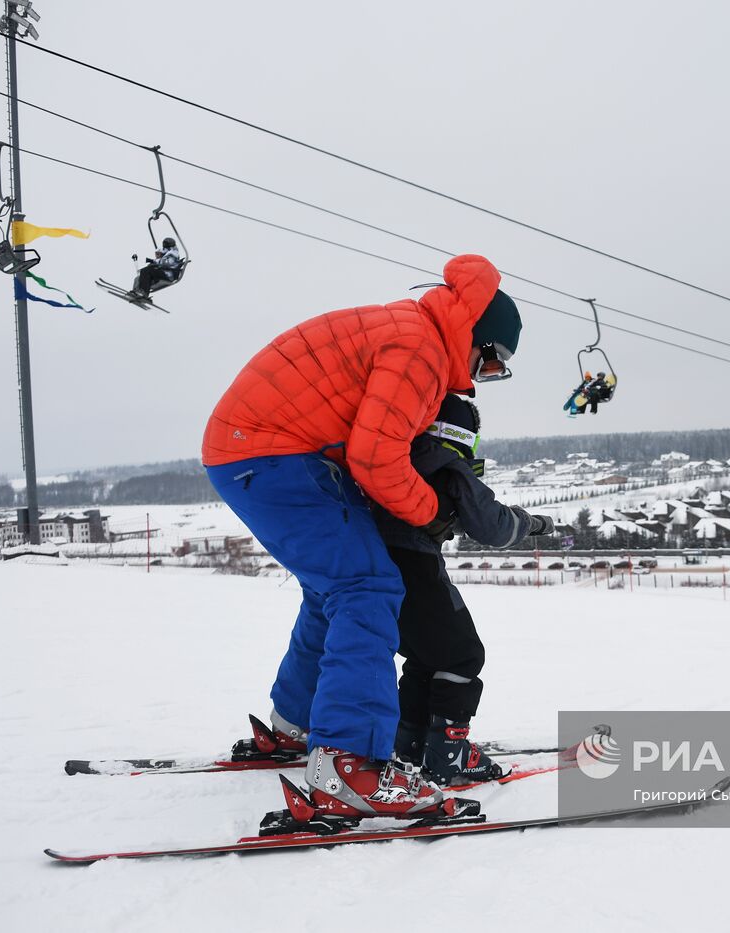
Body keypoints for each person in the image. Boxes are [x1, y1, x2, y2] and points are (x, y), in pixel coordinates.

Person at [202, 254, 522, 819]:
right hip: (274, 454)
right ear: (477, 337)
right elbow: (376, 458)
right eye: (491, 362)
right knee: (367, 587)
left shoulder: (408, 330)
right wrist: (430, 512)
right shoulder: (419, 348)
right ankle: (351, 765)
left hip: (251, 449)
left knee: (336, 590)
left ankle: (295, 727)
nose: (479, 376)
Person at [373, 394, 555, 785]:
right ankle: (448, 756)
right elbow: (493, 526)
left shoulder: (395, 459)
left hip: (377, 567)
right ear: (463, 435)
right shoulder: (447, 466)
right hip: (416, 566)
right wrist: (535, 524)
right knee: (463, 656)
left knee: (426, 658)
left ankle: (411, 746)